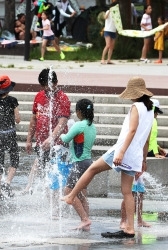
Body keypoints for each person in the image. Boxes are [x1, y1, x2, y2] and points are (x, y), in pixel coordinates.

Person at [62, 76, 154, 238]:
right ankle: (130, 229)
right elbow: (146, 137)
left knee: (92, 169)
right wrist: (144, 159)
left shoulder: (135, 107)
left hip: (123, 150)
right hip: (135, 155)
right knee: (127, 192)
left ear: (134, 93)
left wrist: (120, 152)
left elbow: (132, 131)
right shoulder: (149, 110)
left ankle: (70, 196)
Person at [23, 68, 71, 195]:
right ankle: (30, 188)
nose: (46, 89)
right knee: (39, 163)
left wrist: (52, 138)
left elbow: (62, 122)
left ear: (56, 83)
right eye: (43, 86)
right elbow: (34, 119)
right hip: (41, 141)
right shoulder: (39, 96)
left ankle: (57, 198)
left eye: (48, 86)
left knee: (56, 170)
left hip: (58, 144)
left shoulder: (62, 98)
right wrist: (29, 140)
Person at [61, 99, 96, 231]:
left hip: (79, 163)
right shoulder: (92, 126)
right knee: (80, 193)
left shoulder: (79, 125)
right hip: (88, 163)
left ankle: (84, 219)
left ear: (79, 112)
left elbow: (65, 138)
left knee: (68, 191)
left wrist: (62, 134)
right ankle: (86, 219)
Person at [0, 75, 21, 201]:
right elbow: (18, 120)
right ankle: (7, 182)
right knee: (14, 158)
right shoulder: (13, 101)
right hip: (10, 134)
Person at [101, 0, 118, 65]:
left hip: (113, 31)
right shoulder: (108, 11)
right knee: (108, 45)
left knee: (112, 46)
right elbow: (105, 17)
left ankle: (109, 60)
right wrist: (110, 11)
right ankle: (102, 59)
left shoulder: (116, 13)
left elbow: (117, 22)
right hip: (108, 30)